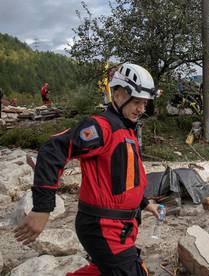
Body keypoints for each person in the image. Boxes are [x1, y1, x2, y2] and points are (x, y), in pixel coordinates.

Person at [14, 63, 160, 276]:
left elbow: (124, 177)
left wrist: (145, 204)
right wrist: (42, 208)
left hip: (122, 226)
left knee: (106, 270)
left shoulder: (127, 129)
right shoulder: (101, 127)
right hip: (102, 227)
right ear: (117, 94)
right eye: (136, 102)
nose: (141, 109)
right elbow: (53, 150)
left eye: (144, 103)